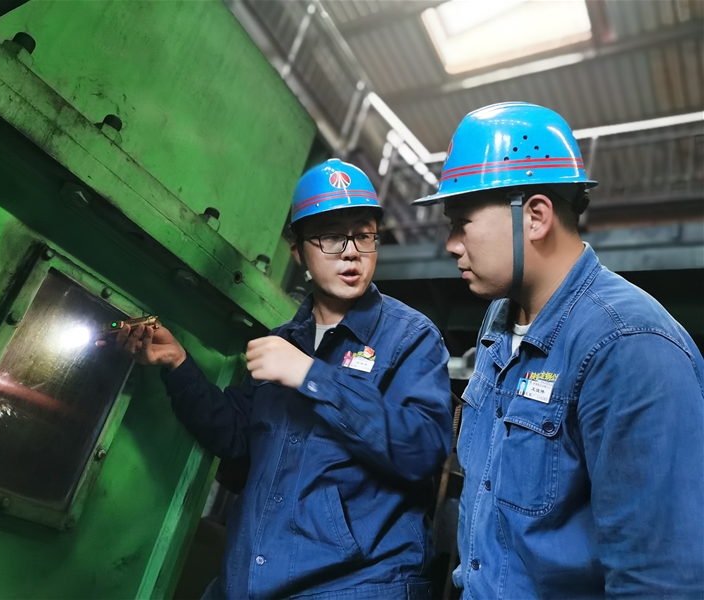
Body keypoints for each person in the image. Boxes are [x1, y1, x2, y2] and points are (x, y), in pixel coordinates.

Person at [117, 159, 454, 599]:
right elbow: (237, 439)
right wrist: (179, 364)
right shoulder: (283, 341)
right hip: (252, 580)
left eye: (364, 234)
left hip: (354, 586)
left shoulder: (410, 336)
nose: (351, 251)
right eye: (331, 237)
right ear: (298, 252)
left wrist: (312, 376)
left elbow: (422, 450)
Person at [413, 102, 704, 598]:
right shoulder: (499, 320)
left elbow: (660, 579)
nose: (451, 244)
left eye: (462, 222)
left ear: (535, 217)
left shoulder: (630, 345)